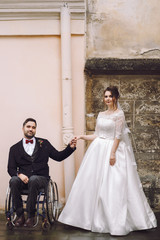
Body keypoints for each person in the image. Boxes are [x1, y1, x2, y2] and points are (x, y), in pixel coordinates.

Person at [58, 86, 157, 236]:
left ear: (115, 97)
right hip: (98, 150)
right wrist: (81, 137)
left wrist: (112, 154)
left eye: (110, 96)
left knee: (113, 184)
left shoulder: (119, 115)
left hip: (113, 149)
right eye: (105, 96)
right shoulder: (101, 114)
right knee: (91, 182)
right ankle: (85, 219)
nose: (108, 99)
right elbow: (97, 135)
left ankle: (115, 221)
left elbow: (117, 136)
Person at [7, 118, 77, 228]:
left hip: (41, 179)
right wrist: (19, 175)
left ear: (35, 129)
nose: (31, 129)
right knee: (13, 180)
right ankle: (20, 215)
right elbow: (10, 169)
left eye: (33, 127)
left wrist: (70, 148)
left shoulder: (44, 143)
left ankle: (31, 216)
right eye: (28, 127)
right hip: (23, 179)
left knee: (34, 179)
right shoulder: (14, 149)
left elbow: (58, 157)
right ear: (23, 128)